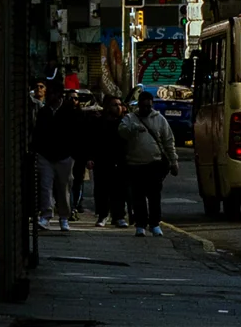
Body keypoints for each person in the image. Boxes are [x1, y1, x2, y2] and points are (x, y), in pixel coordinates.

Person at [118, 85, 178, 233]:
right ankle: (140, 224)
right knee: (138, 196)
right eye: (143, 106)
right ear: (139, 105)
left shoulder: (159, 120)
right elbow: (122, 132)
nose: (146, 109)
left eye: (148, 106)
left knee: (154, 195)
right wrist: (133, 129)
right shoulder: (130, 119)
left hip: (154, 163)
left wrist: (173, 161)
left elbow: (168, 142)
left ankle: (155, 223)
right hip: (135, 164)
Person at [73, 83, 121, 228]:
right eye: (114, 105)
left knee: (119, 189)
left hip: (119, 160)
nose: (118, 107)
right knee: (102, 189)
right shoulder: (98, 122)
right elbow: (91, 141)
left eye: (119, 104)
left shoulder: (125, 122)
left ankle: (118, 216)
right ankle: (102, 215)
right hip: (102, 160)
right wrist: (90, 157)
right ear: (107, 107)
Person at [34, 76, 79, 233]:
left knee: (63, 188)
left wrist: (72, 155)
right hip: (46, 155)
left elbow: (76, 135)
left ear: (59, 95)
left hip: (64, 156)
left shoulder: (69, 112)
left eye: (53, 93)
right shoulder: (44, 112)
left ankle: (64, 217)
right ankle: (46, 215)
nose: (50, 96)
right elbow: (38, 132)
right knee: (45, 187)